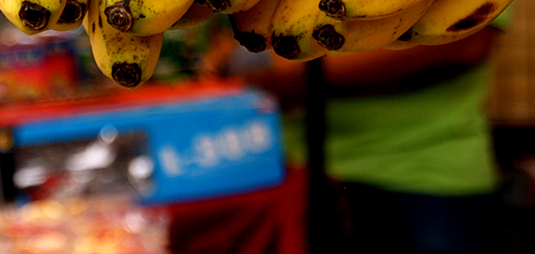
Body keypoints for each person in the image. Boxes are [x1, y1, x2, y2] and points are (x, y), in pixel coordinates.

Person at [201, 15, 507, 254]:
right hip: (288, 169)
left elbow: (464, 41)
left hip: (420, 175)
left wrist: (295, 76)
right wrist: (232, 55)